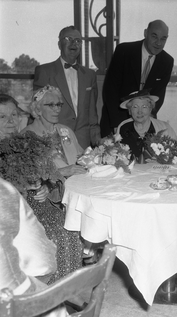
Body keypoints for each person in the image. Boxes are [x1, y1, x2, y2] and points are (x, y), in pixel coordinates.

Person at [19, 85, 85, 284]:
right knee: (66, 232)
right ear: (37, 109)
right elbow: (28, 177)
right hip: (44, 196)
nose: (57, 109)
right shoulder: (27, 136)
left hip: (74, 191)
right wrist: (62, 172)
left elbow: (81, 156)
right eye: (51, 105)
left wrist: (93, 158)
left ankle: (73, 286)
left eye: (59, 104)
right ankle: (58, 289)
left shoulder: (65, 130)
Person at [0, 177, 68, 317]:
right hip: (20, 284)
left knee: (67, 231)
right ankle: (56, 291)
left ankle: (64, 290)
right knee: (57, 236)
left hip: (31, 204)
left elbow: (50, 180)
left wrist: (46, 187)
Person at [100, 19, 174, 137]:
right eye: (154, 36)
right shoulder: (124, 51)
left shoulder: (167, 61)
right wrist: (117, 126)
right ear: (145, 33)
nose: (158, 43)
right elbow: (110, 90)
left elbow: (158, 96)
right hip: (114, 121)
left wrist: (146, 123)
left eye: (163, 38)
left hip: (144, 124)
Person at [33, 25, 101, 149]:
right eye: (68, 39)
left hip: (82, 140)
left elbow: (92, 110)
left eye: (78, 40)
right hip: (54, 138)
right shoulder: (44, 71)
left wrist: (96, 135)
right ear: (59, 44)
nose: (73, 43)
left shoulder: (90, 75)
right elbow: (37, 109)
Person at [117, 89, 177, 159]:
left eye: (144, 107)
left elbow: (175, 154)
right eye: (135, 107)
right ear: (130, 111)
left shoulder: (164, 128)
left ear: (150, 109)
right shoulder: (123, 127)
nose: (140, 112)